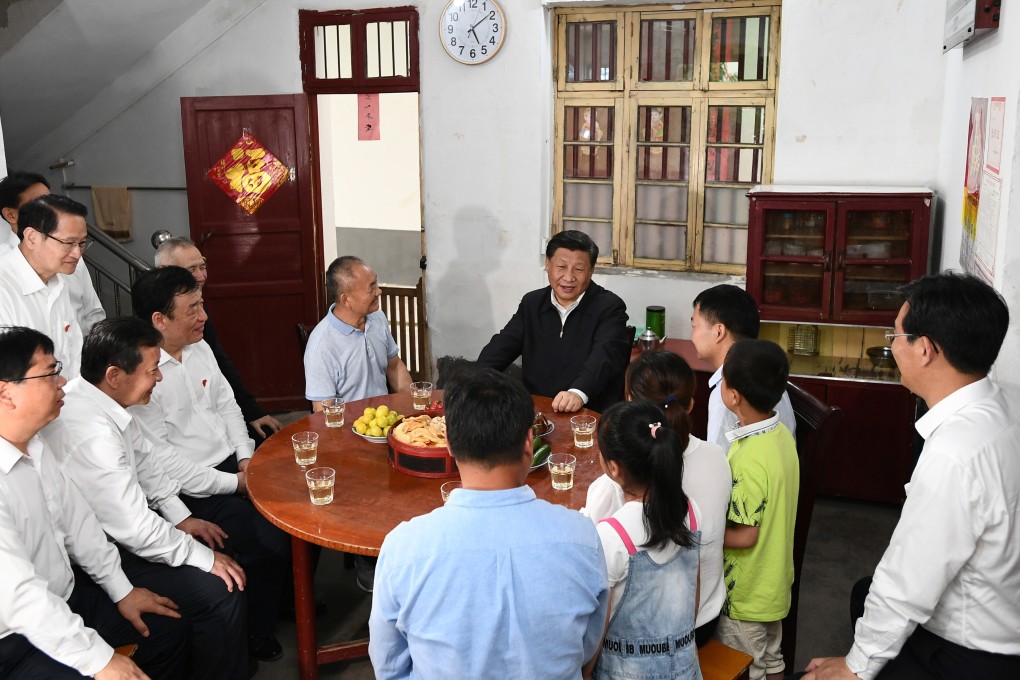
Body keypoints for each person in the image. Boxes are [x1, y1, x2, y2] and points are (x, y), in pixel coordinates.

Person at [804, 272, 1020, 680]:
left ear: (925, 349)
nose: (892, 345)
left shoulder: (955, 453)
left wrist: (853, 667)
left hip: (973, 653)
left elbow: (907, 582)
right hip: (1003, 611)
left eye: (896, 335)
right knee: (865, 593)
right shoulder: (1006, 405)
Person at [42, 316, 250, 679]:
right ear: (115, 376)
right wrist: (202, 558)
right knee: (220, 588)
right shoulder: (92, 434)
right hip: (100, 557)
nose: (160, 377)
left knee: (219, 548)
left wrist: (181, 518)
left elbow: (147, 463)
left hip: (118, 537)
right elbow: (134, 527)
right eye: (153, 370)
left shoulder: (100, 399)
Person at [368, 367, 609, 679]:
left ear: (449, 443)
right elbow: (587, 651)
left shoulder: (404, 548)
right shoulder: (583, 538)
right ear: (528, 442)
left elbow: (389, 667)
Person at [0, 325, 188, 679]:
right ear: (6, 393)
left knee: (165, 630)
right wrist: (100, 660)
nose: (62, 381)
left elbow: (79, 525)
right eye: (50, 373)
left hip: (66, 599)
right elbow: (19, 597)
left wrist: (122, 591)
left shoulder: (36, 445)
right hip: (14, 637)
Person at [129, 265, 290, 662]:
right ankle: (255, 631)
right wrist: (237, 483)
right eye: (193, 309)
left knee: (301, 502)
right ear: (159, 320)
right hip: (194, 489)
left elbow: (228, 406)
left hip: (234, 465)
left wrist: (247, 458)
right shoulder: (142, 375)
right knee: (267, 539)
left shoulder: (200, 347)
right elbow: (167, 464)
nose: (204, 316)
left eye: (202, 305)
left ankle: (287, 600)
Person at [584, 349, 730, 646]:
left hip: (641, 638)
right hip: (701, 621)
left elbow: (592, 570)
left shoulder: (616, 484)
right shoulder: (718, 457)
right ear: (690, 403)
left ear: (630, 404)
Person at [586, 400, 702, 680]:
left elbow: (598, 628)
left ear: (614, 468)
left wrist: (586, 674)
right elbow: (694, 596)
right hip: (685, 669)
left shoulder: (614, 535)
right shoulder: (691, 511)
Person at [715, 339, 799, 680]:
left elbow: (745, 535)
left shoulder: (749, 459)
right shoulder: (781, 436)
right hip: (774, 582)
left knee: (747, 669)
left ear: (734, 396)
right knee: (772, 658)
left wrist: (701, 532)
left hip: (746, 595)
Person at [477, 229, 631, 413]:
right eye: (561, 267)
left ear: (591, 270)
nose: (569, 277)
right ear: (548, 264)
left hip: (589, 413)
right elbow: (501, 347)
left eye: (578, 269)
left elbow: (604, 357)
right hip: (537, 410)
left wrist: (577, 393)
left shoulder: (609, 308)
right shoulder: (532, 303)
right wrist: (473, 381)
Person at [154, 236, 283, 442]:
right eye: (190, 270)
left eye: (202, 267)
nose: (200, 277)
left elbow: (221, 369)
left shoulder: (200, 324)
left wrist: (251, 411)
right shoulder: (150, 345)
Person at [0, 194, 95, 379]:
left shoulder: (58, 282)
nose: (77, 253)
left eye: (82, 243)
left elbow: (74, 359)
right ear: (32, 238)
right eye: (68, 243)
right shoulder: (4, 287)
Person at [690, 284, 795, 450]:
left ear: (718, 332)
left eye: (694, 326)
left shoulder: (727, 395)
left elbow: (719, 461)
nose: (692, 336)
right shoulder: (767, 374)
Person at [0, 172, 106, 334]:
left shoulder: (66, 264)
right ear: (10, 214)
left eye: (50, 199)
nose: (76, 253)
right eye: (38, 203)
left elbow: (91, 313)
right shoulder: (6, 275)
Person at [304, 255, 412, 410]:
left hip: (385, 417)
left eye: (376, 283)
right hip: (349, 423)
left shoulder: (377, 317)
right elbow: (323, 411)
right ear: (346, 299)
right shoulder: (321, 346)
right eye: (371, 288)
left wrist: (416, 406)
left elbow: (394, 366)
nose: (379, 291)